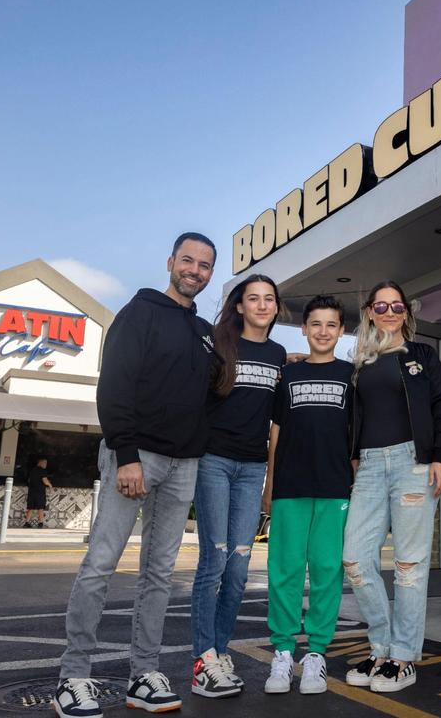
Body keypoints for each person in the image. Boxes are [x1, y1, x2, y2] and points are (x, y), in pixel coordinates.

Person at [54, 232, 217, 718]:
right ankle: (72, 677)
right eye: (187, 260)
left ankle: (143, 674)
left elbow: (215, 390)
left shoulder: (205, 332)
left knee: (159, 574)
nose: (194, 270)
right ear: (170, 262)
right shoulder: (139, 312)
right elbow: (115, 384)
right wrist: (126, 454)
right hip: (137, 456)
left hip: (184, 464)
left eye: (204, 265)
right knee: (101, 563)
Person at [341, 281, 441, 693]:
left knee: (408, 566)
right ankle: (381, 646)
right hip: (371, 467)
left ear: (406, 312)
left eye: (397, 306)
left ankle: (403, 657)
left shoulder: (422, 356)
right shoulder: (360, 363)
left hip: (413, 464)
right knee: (354, 559)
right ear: (370, 312)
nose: (389, 312)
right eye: (381, 306)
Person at [189, 275, 286, 698]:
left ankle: (220, 653)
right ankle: (202, 662)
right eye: (253, 298)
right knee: (214, 561)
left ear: (276, 307)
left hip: (251, 467)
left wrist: (270, 480)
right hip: (213, 461)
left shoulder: (278, 354)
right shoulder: (218, 344)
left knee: (239, 568)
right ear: (240, 306)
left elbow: (277, 417)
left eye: (269, 299)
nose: (262, 305)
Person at [263, 295, 355, 696]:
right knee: (284, 570)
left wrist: (355, 483)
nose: (323, 331)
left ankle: (316, 653)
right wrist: (270, 482)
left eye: (331, 324)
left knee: (326, 569)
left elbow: (355, 435)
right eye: (315, 323)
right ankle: (283, 652)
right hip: (291, 485)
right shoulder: (288, 376)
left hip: (335, 486)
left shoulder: (352, 376)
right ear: (303, 329)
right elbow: (276, 430)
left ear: (341, 331)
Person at [24, 457, 54, 528]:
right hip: (39, 492)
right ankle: (40, 523)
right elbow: (45, 481)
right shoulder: (42, 471)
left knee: (30, 507)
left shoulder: (32, 470)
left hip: (31, 492)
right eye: (44, 463)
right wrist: (50, 486)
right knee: (40, 507)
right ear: (40, 463)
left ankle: (27, 523)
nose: (46, 464)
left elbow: (28, 480)